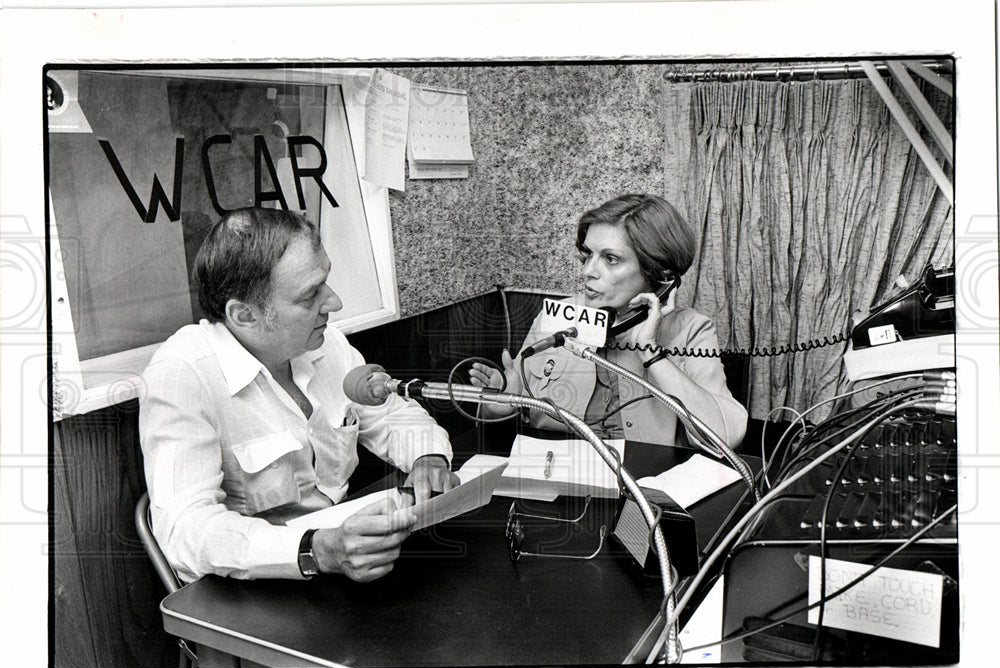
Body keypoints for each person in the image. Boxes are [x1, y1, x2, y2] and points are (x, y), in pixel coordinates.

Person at [139, 207, 457, 584]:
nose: (334, 303)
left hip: (341, 564)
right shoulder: (183, 372)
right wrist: (315, 550)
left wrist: (428, 457)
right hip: (253, 587)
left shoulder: (326, 344)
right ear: (244, 315)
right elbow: (185, 530)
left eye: (326, 281)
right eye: (310, 297)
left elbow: (390, 416)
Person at [469, 194, 747, 450]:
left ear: (659, 273)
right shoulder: (559, 315)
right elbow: (498, 415)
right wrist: (504, 401)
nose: (588, 271)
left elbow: (724, 438)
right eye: (588, 255)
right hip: (559, 478)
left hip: (644, 485)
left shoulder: (691, 330)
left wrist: (650, 352)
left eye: (611, 259)